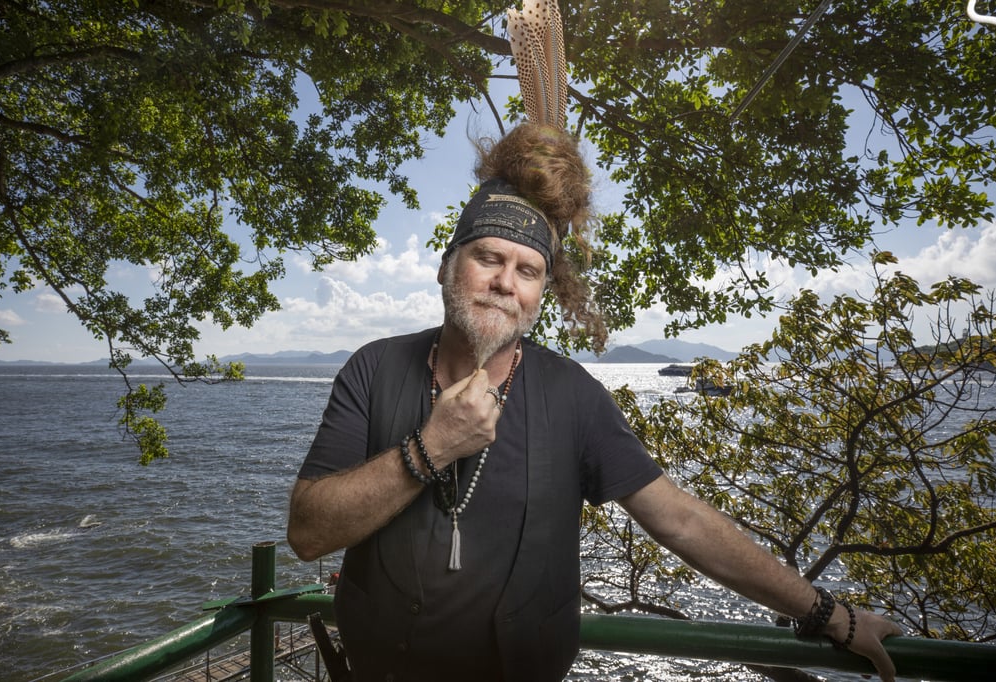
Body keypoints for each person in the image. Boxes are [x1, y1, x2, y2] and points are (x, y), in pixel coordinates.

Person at [286, 122, 902, 682]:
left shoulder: (574, 396)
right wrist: (431, 447)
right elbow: (309, 532)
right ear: (449, 267)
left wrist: (828, 613)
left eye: (528, 270)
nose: (505, 282)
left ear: (541, 294)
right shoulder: (374, 367)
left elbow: (680, 519)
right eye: (489, 258)